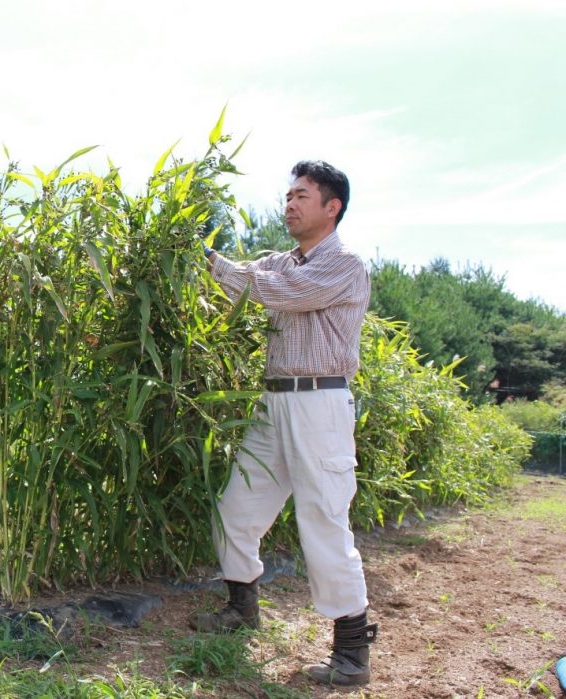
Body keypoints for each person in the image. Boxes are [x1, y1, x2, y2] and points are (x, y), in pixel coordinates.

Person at [189, 160, 377, 687]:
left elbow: (280, 292)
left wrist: (211, 261)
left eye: (301, 196)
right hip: (274, 402)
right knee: (235, 510)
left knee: (323, 521)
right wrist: (193, 256)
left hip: (320, 404)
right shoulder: (281, 261)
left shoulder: (344, 265)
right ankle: (241, 607)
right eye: (288, 195)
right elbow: (251, 278)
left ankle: (351, 652)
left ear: (331, 207)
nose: (289, 204)